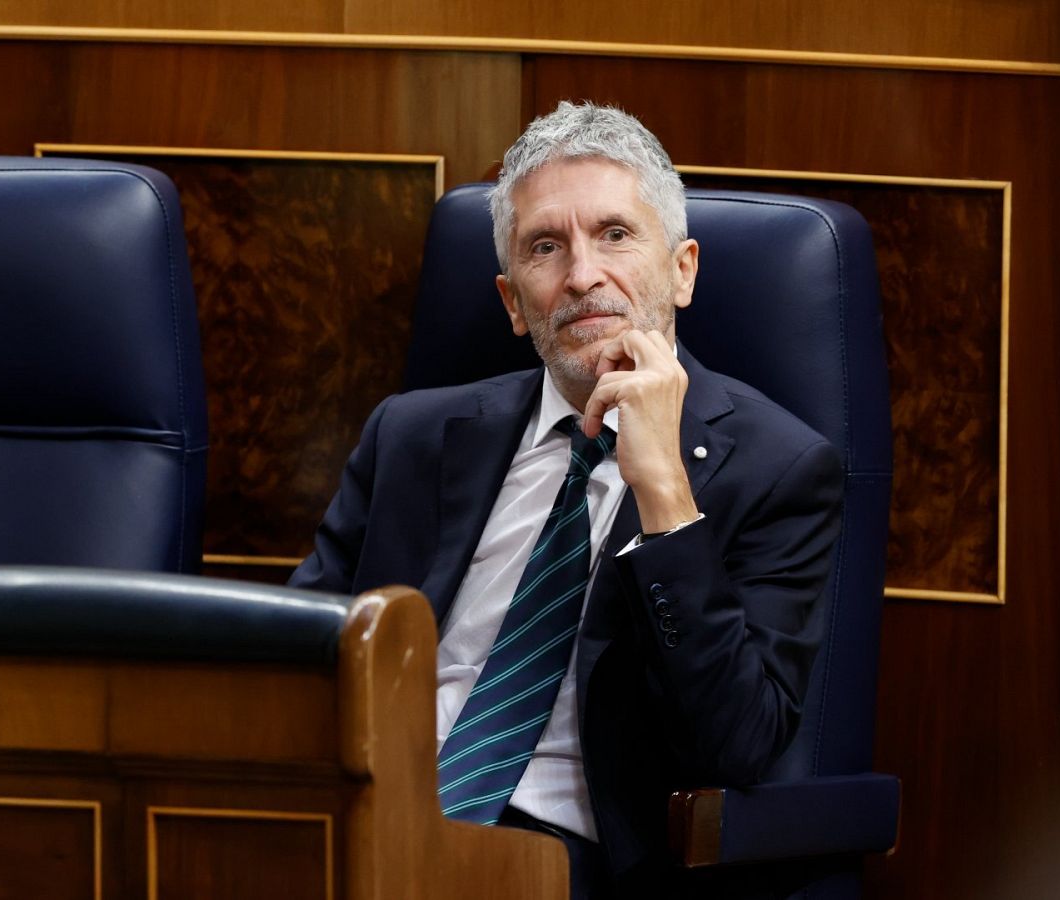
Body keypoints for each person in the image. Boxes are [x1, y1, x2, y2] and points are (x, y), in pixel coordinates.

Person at [289, 102, 843, 898]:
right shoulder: (411, 435)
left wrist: (663, 492)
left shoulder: (780, 471)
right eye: (546, 247)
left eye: (616, 234)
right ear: (515, 302)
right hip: (364, 820)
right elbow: (301, 661)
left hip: (573, 863)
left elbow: (738, 747)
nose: (583, 275)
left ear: (682, 269)